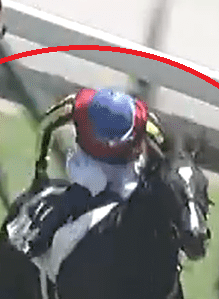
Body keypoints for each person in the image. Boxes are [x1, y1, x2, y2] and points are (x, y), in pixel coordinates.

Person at [20, 86, 167, 259]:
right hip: (89, 160)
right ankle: (40, 235)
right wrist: (41, 169)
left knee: (132, 197)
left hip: (125, 165)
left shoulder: (144, 122)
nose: (110, 144)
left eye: (115, 140)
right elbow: (45, 126)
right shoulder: (76, 107)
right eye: (105, 139)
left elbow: (166, 153)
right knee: (89, 186)